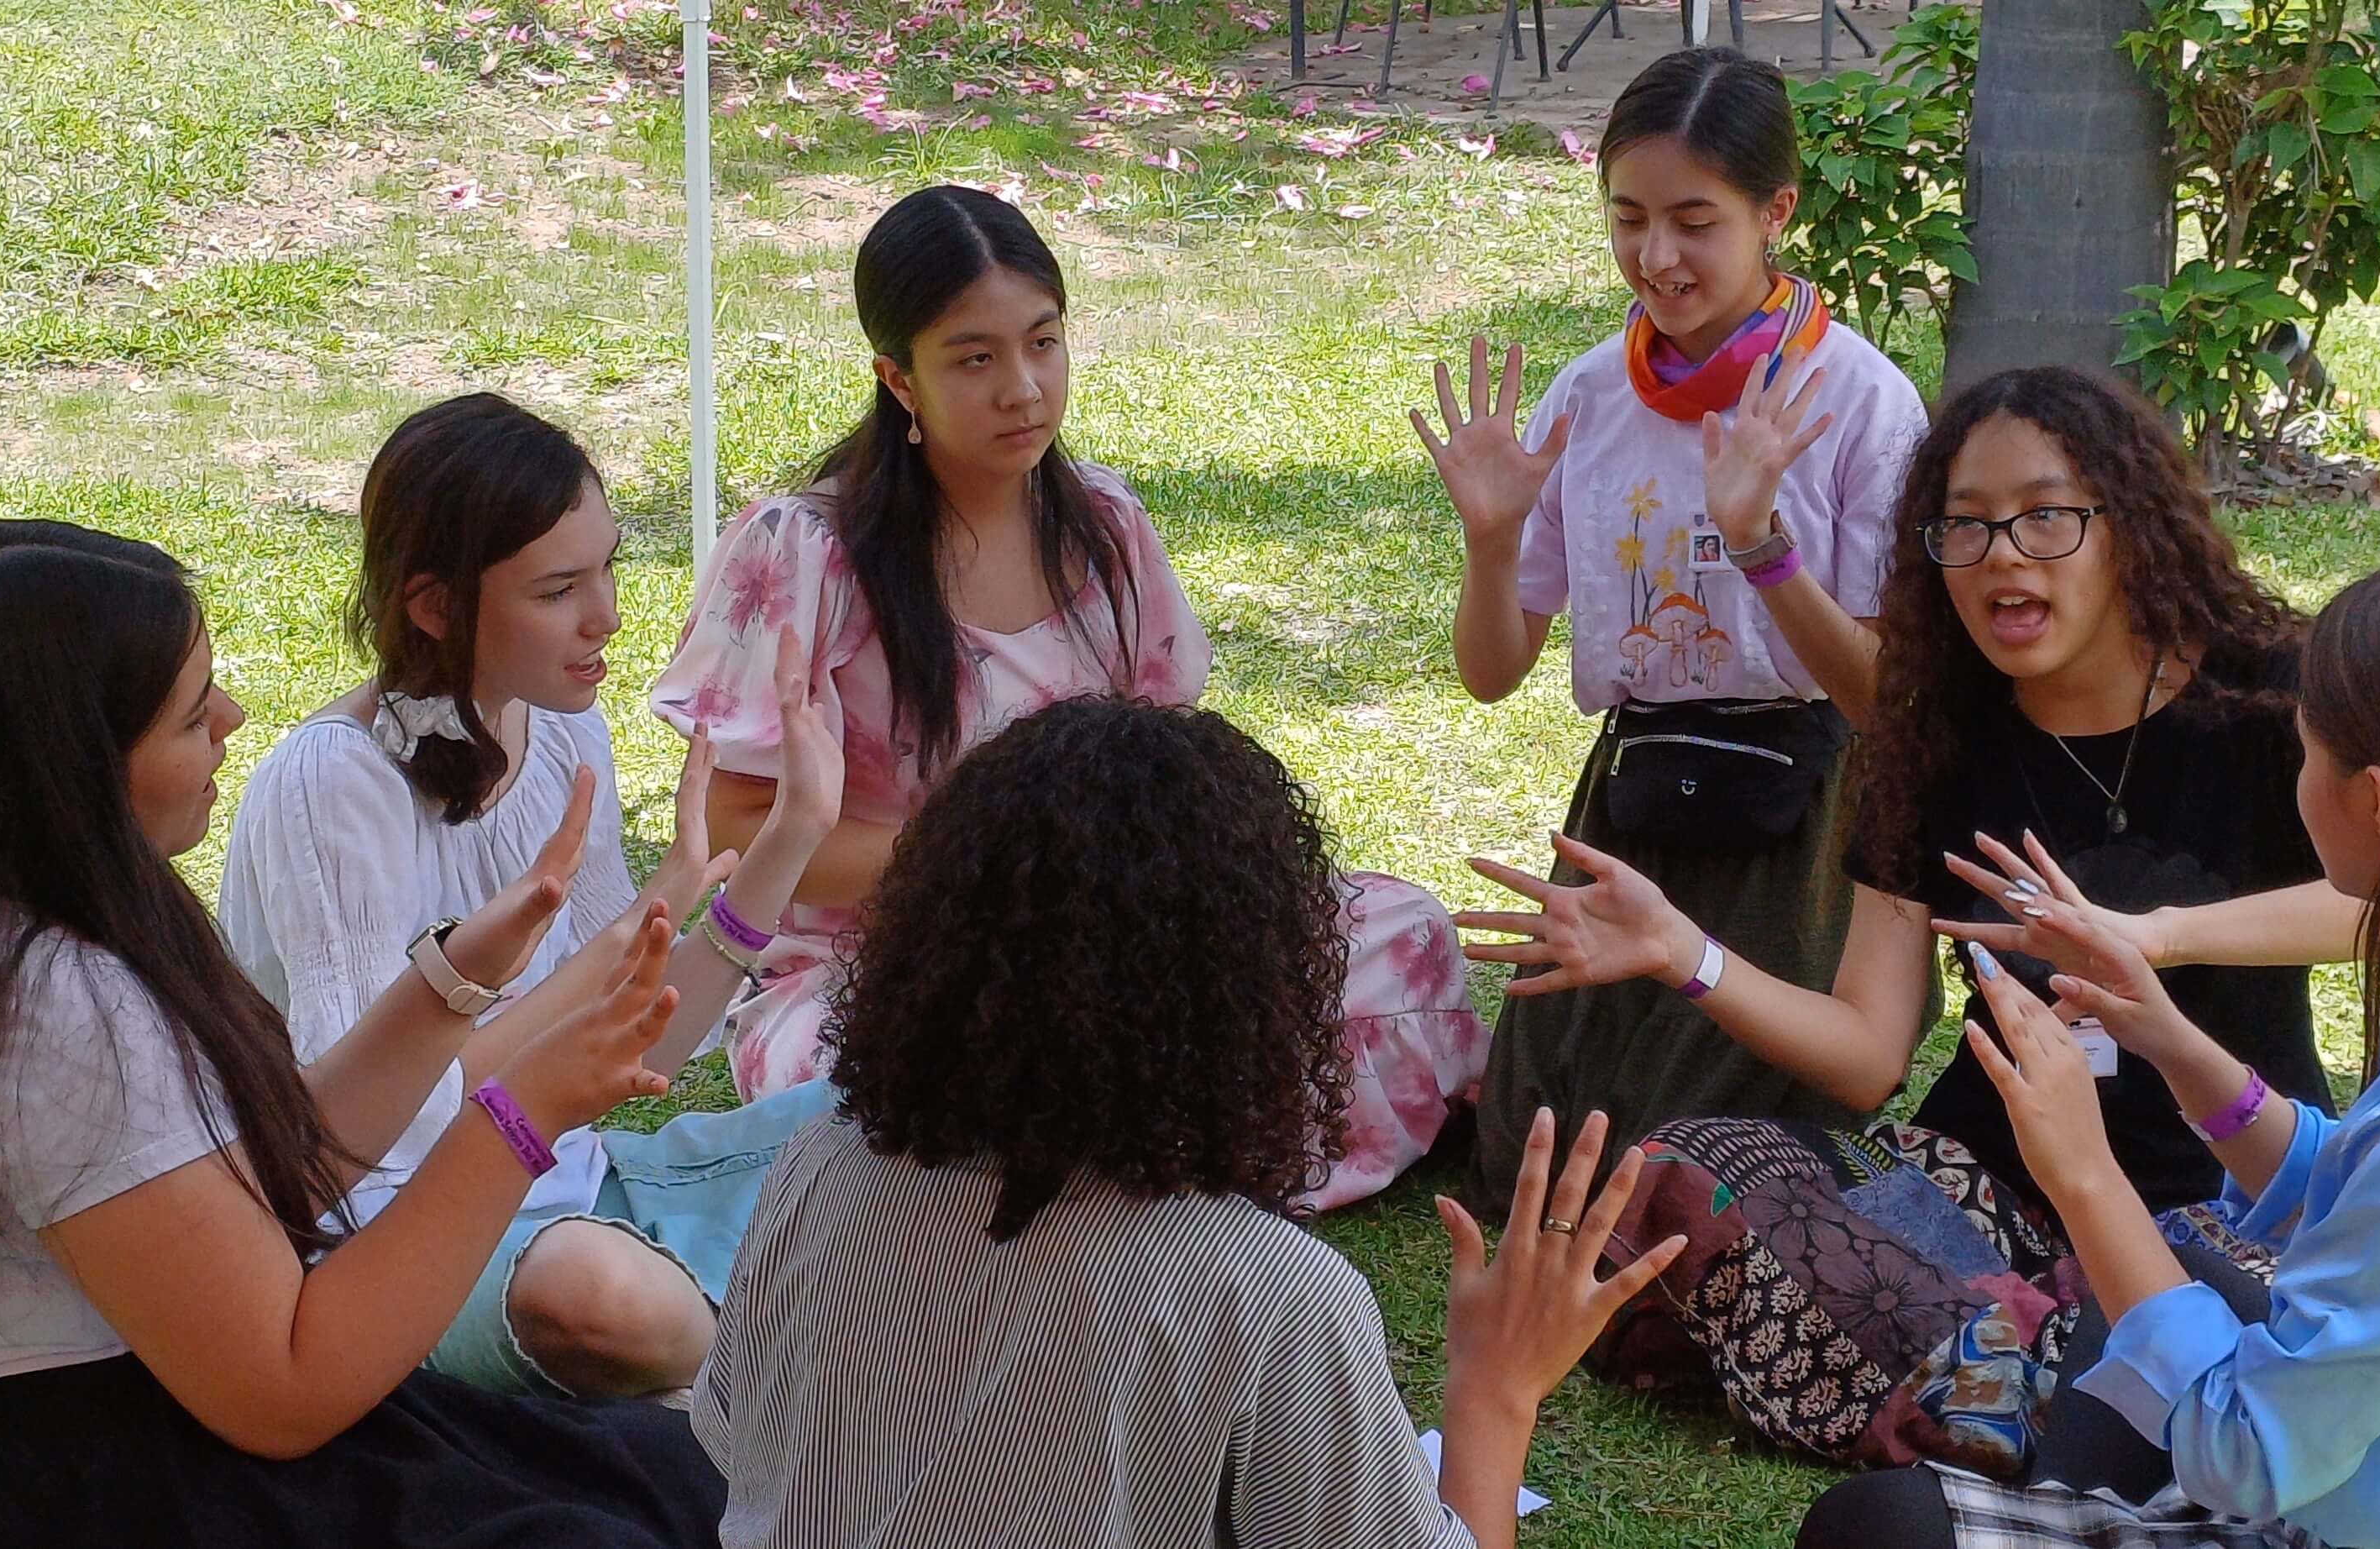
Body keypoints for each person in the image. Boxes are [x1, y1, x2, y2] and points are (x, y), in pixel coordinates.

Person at [0, 520, 727, 1546]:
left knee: (678, 1475)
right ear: (73, 769)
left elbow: (265, 1175)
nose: (232, 715)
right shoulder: (43, 1010)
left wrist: (453, 976)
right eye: (186, 714)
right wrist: (520, 1116)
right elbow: (285, 1386)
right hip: (101, 1488)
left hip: (152, 1444)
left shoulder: (26, 932)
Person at [1455, 366, 2361, 1462]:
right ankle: (2057, 1381)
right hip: (1987, 1202)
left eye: (2045, 518)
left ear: (2133, 524)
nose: (2002, 557)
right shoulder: (1932, 744)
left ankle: (2047, 1381)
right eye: (1964, 529)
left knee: (2223, 1308)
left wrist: (2157, 938)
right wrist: (1681, 951)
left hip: (2228, 1207)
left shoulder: (2268, 694)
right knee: (1674, 1177)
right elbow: (1866, 1057)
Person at [1798, 549, 2380, 1549]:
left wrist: (2083, 1170)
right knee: (2171, 1286)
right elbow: (2378, 1192)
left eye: (2305, 750)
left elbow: (2243, 1450)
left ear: (2374, 800)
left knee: (1877, 1528)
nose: (2296, 777)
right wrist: (2167, 1035)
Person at [653, 184, 1480, 1210]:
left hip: (1111, 944)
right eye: (974, 358)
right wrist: (992, 867)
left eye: (1043, 343)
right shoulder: (803, 552)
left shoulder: (1106, 528)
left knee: (1401, 937)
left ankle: (1121, 1164)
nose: (1023, 388)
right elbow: (738, 830)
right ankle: (1169, 1162)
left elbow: (1167, 761)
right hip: (888, 964)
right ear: (896, 379)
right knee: (859, 1084)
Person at [695, 696, 1686, 1549]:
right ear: (1255, 989)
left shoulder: (816, 1165)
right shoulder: (1266, 1293)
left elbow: (737, 1451)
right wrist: (1496, 1390)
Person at [217, 392, 842, 1401]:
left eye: (608, 567)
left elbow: (622, 1055)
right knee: (603, 1296)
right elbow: (383, 1131)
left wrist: (787, 841)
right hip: (405, 1248)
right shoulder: (333, 785)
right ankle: (775, 1410)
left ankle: (751, 1359)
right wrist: (633, 932)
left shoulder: (558, 734)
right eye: (558, 588)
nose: (607, 615)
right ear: (435, 605)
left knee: (922, 1113)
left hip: (589, 1190)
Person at [1412, 47, 1927, 1212]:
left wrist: (1765, 551)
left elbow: (1881, 701)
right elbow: (1493, 675)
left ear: (1776, 211)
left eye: (1696, 221)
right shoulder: (1592, 396)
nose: (1657, 258)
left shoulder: (1859, 402)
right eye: (1629, 218)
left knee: (1695, 1165)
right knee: (1533, 1166)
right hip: (1638, 789)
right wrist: (1494, 545)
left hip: (1807, 807)